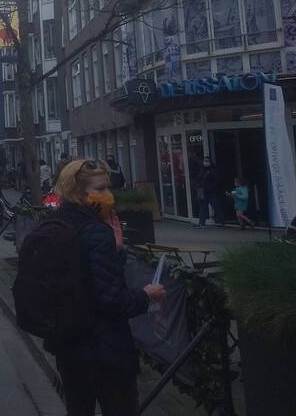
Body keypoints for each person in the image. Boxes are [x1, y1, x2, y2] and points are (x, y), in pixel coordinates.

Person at [44, 159, 166, 416]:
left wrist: (115, 251)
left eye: (108, 188)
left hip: (68, 347)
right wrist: (146, 295)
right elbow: (111, 301)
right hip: (104, 351)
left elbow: (83, 278)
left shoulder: (56, 224)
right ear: (79, 194)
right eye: (100, 189)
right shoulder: (96, 231)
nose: (109, 195)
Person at [196, 157, 223, 228]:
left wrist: (208, 187)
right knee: (203, 207)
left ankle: (220, 221)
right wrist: (198, 186)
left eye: (207, 161)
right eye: (204, 161)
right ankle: (201, 223)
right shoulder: (201, 170)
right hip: (203, 191)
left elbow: (216, 181)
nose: (205, 162)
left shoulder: (213, 170)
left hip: (212, 192)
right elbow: (199, 179)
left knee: (215, 206)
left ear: (210, 162)